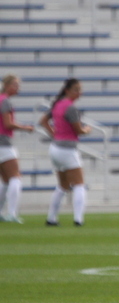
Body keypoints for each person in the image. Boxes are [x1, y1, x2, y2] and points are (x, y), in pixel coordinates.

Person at [38, 78, 91, 227]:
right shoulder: (71, 108)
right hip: (67, 150)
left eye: (80, 89)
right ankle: (78, 219)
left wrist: (54, 133)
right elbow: (78, 130)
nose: (79, 93)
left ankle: (51, 218)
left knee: (63, 185)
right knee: (79, 184)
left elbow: (43, 121)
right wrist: (87, 129)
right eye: (76, 89)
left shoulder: (57, 104)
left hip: (55, 148)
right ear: (67, 90)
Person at [0, 75, 35, 223]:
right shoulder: (5, 101)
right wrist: (25, 127)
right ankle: (12, 213)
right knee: (16, 177)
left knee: (6, 180)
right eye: (15, 85)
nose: (17, 88)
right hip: (3, 142)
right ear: (7, 85)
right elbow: (8, 124)